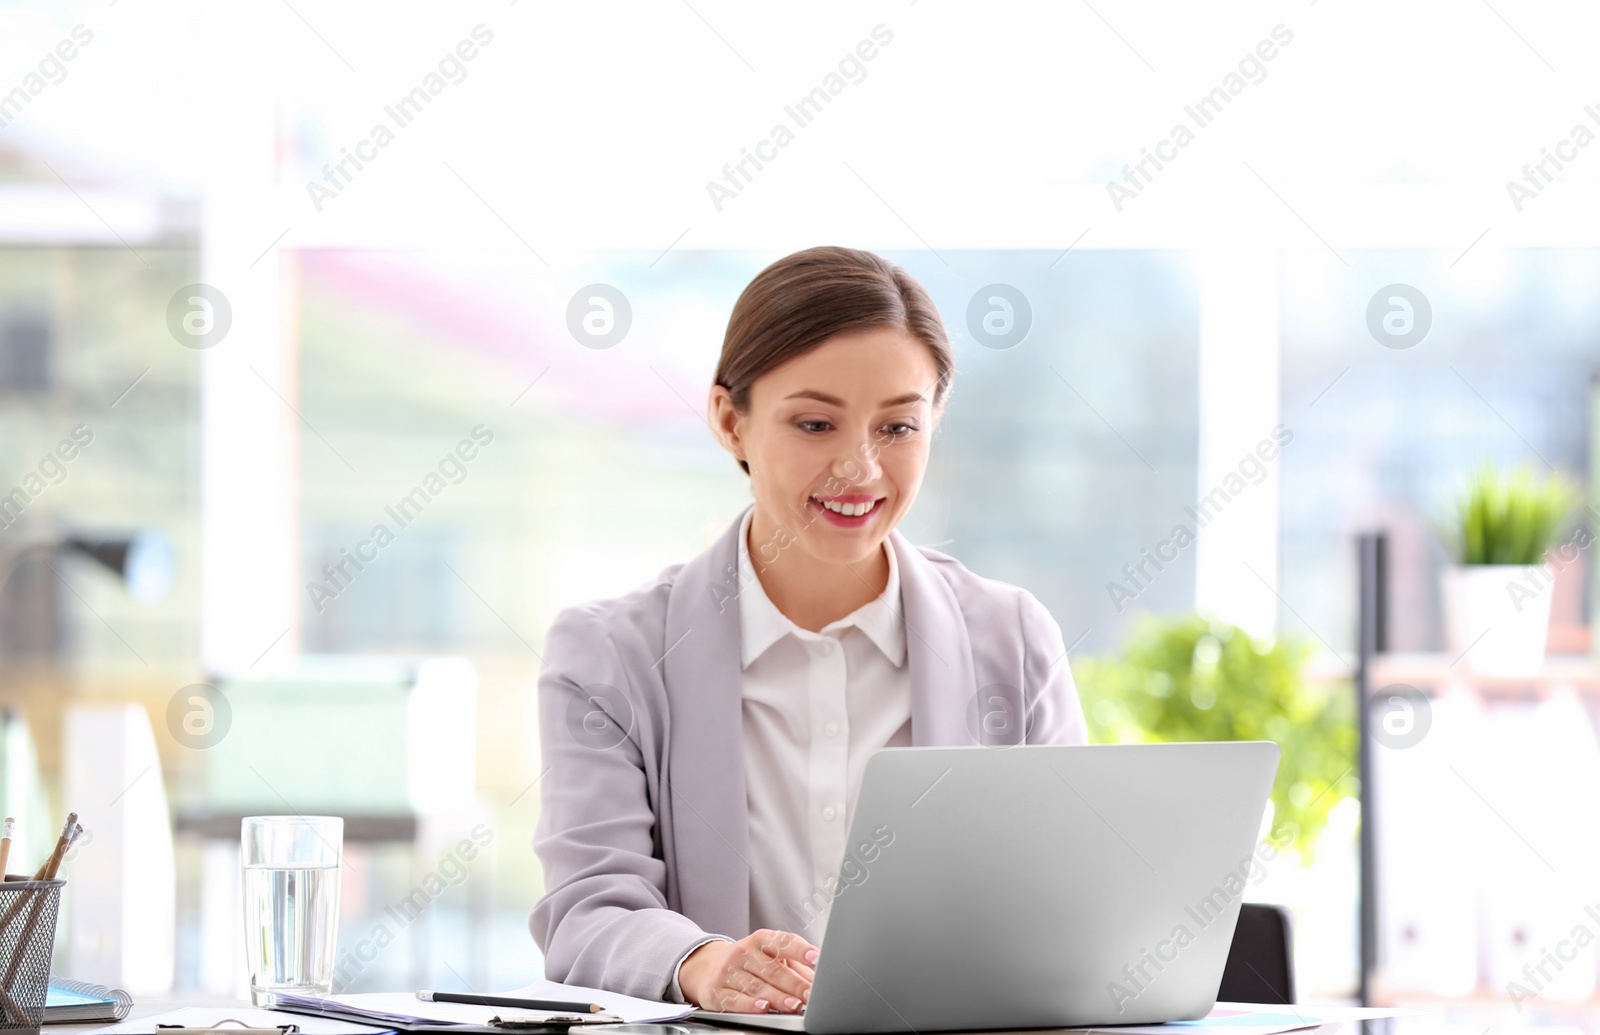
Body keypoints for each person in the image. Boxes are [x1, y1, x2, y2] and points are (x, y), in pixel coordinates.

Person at [529, 245, 1088, 1013]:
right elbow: (587, 911)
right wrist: (704, 962)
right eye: (816, 422)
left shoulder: (1014, 640)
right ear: (730, 420)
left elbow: (1067, 900)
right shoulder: (609, 655)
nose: (859, 469)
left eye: (898, 427)